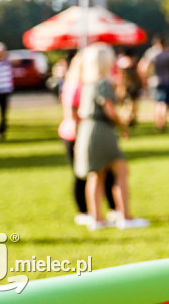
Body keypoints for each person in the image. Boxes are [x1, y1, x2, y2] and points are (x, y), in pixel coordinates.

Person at [73, 43, 149, 230]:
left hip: (88, 129)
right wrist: (123, 124)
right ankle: (125, 217)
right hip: (101, 131)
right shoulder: (102, 83)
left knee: (96, 176)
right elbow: (110, 111)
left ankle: (97, 219)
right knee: (121, 171)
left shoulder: (88, 83)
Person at [57, 52, 116, 226]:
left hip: (82, 133)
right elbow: (73, 114)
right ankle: (83, 211)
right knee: (82, 174)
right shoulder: (76, 86)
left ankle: (105, 209)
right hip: (75, 134)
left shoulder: (85, 84)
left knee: (98, 173)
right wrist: (78, 141)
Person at [139, 36, 169, 131]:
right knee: (163, 103)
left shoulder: (151, 53)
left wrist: (144, 79)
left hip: (153, 81)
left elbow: (143, 67)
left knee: (157, 103)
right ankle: (162, 124)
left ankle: (158, 123)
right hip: (166, 81)